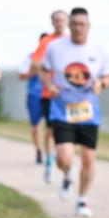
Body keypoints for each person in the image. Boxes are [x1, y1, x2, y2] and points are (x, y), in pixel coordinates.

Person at [40, 7, 109, 218]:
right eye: (74, 24)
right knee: (64, 158)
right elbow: (43, 71)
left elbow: (108, 76)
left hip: (88, 111)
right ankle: (67, 174)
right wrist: (50, 85)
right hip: (62, 109)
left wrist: (102, 83)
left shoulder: (99, 50)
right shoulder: (55, 48)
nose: (78, 28)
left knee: (89, 158)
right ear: (68, 26)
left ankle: (82, 199)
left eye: (82, 24)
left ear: (89, 26)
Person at [31, 10, 70, 182]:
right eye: (56, 20)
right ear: (52, 22)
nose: (59, 23)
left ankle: (66, 161)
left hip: (70, 94)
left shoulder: (72, 41)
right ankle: (49, 160)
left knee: (69, 131)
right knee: (52, 130)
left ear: (67, 21)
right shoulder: (47, 42)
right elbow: (37, 64)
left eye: (62, 20)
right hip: (50, 93)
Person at [20, 32, 49, 164]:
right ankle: (38, 149)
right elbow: (22, 76)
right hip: (35, 95)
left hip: (52, 96)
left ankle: (50, 152)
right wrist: (34, 69)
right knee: (36, 127)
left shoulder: (57, 57)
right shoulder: (31, 57)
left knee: (52, 128)